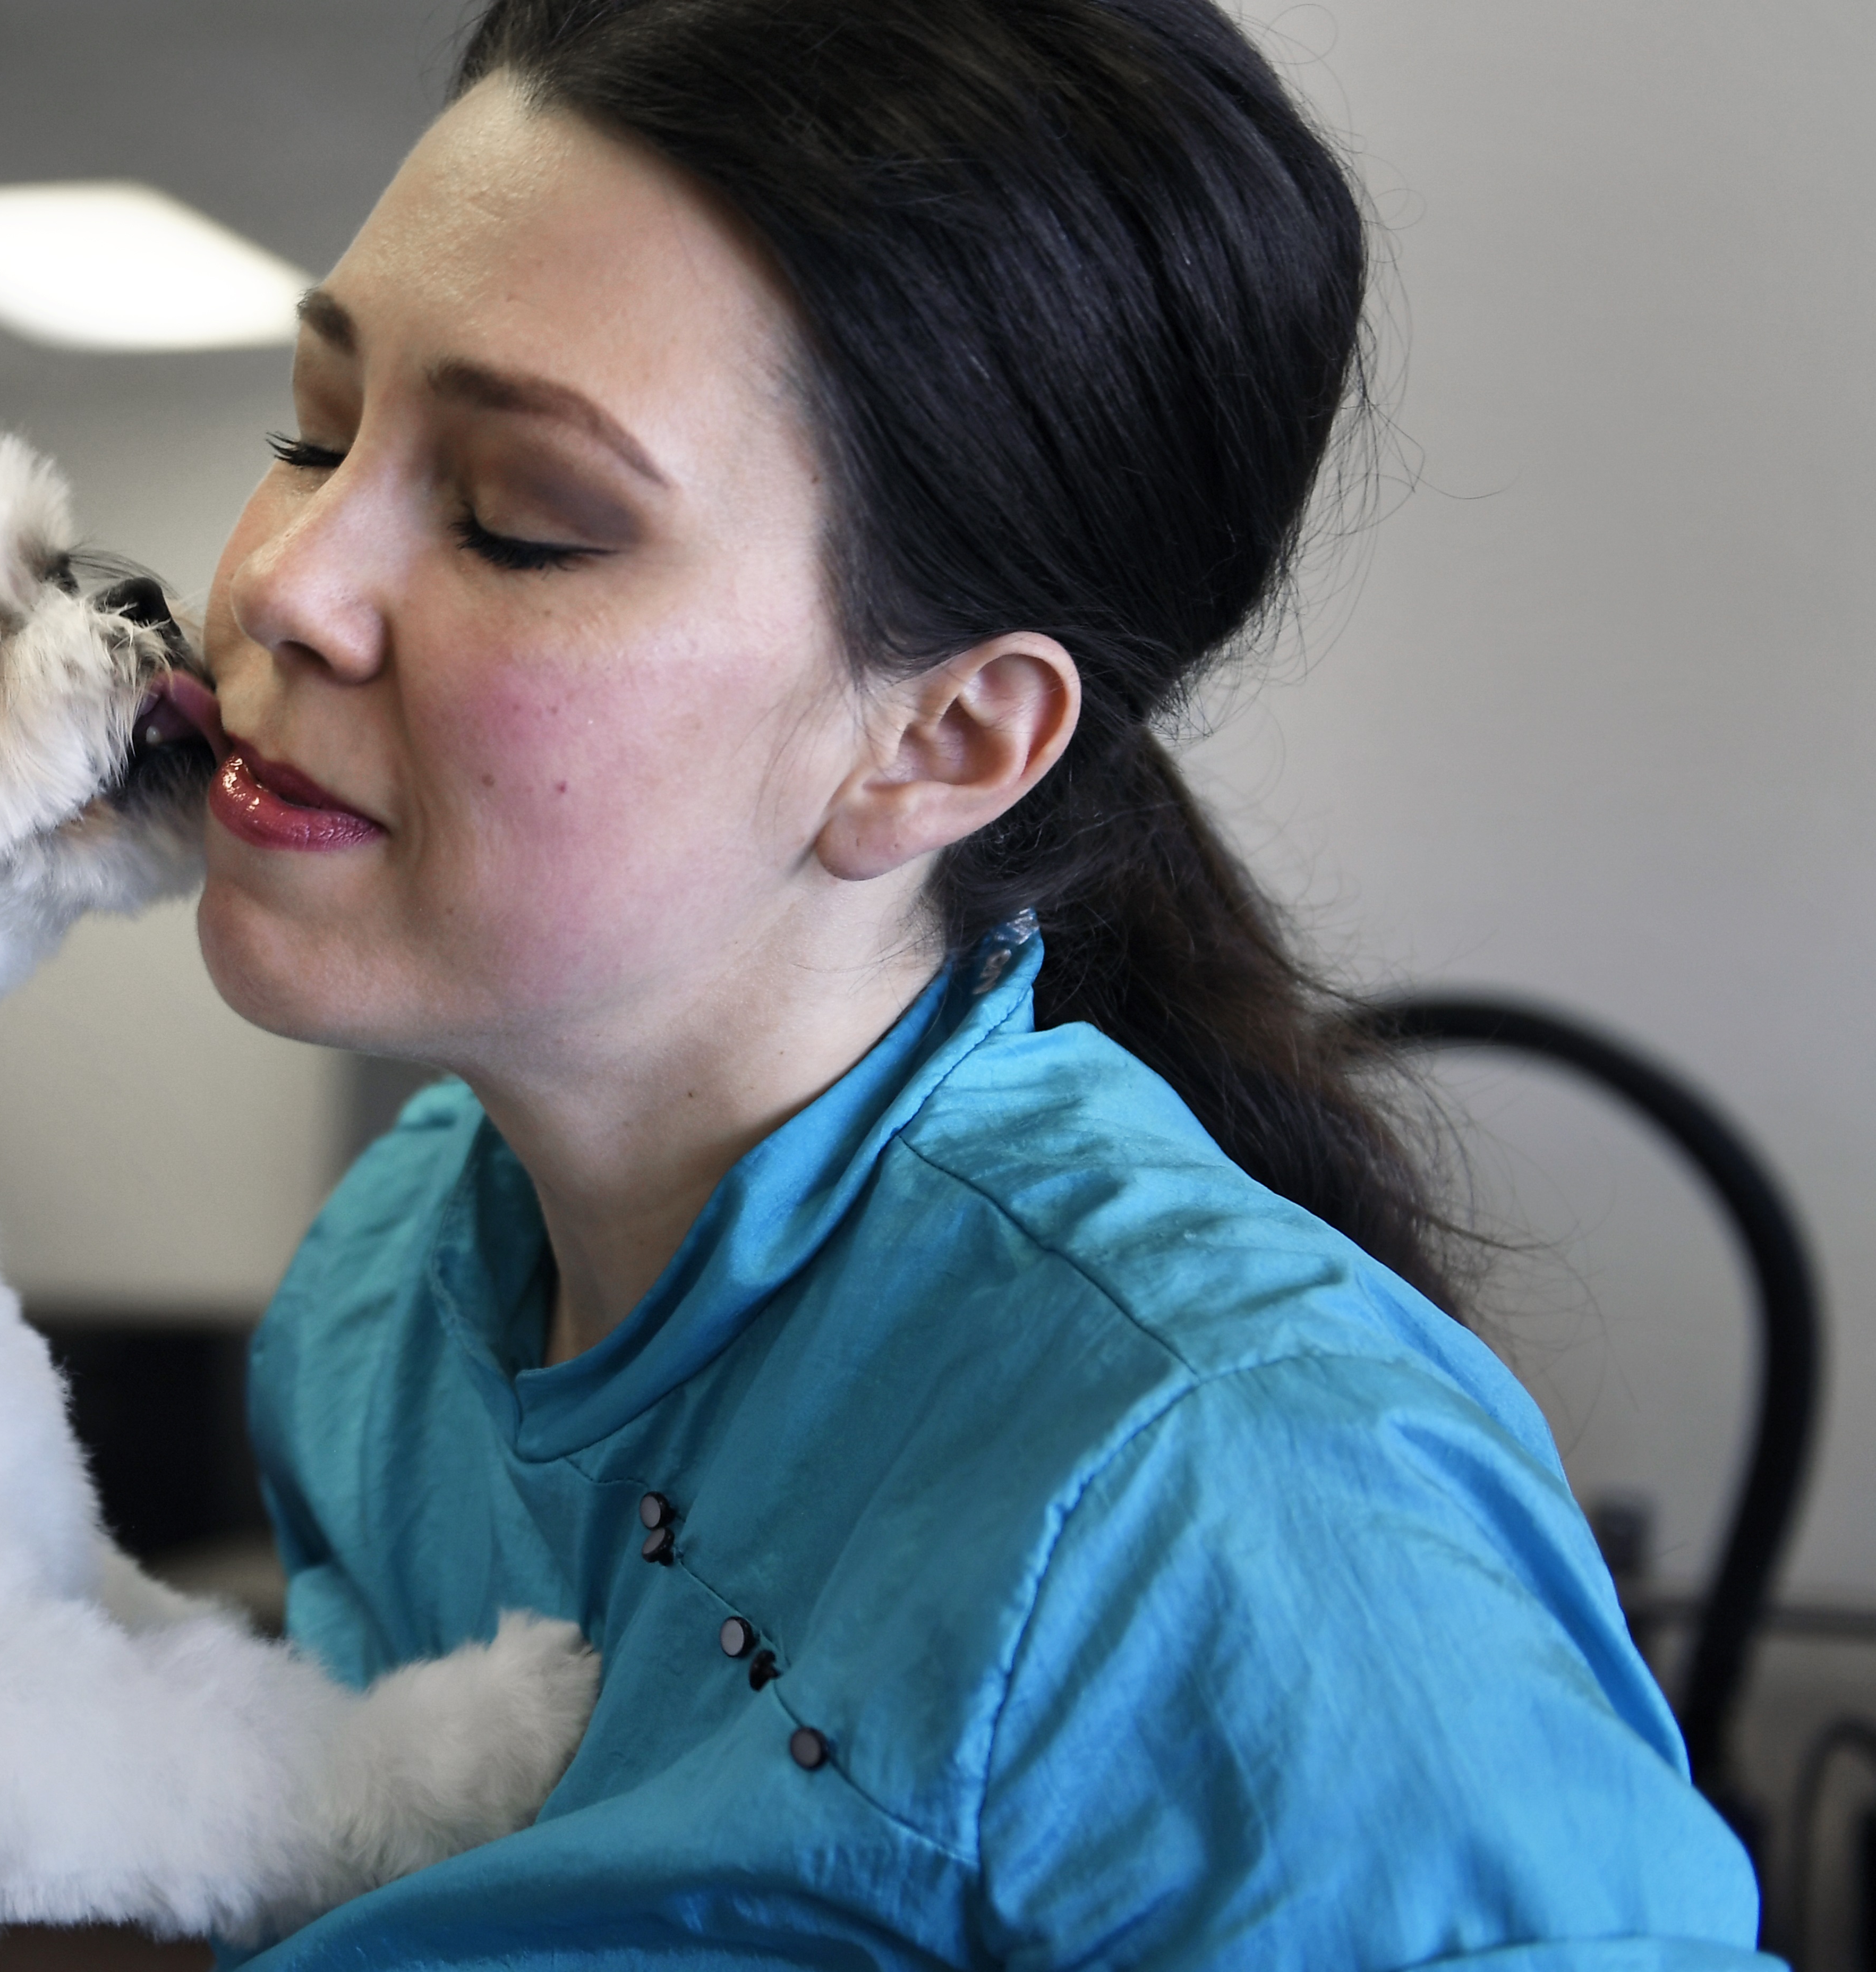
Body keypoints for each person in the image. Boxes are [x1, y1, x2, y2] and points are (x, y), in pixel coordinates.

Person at [186, 0, 1769, 1964]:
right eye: (313, 432)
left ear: (937, 745)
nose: (281, 583)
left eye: (519, 521)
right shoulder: (392, 1276)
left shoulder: (1232, 1483)